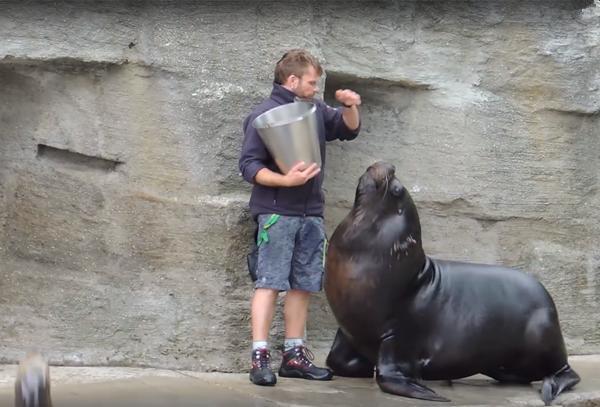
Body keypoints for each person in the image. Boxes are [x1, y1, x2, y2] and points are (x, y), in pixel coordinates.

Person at [239, 49, 361, 386]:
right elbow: (249, 166)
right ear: (292, 80)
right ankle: (259, 358)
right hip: (277, 213)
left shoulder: (316, 109)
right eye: (311, 82)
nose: (315, 87)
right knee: (269, 282)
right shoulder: (262, 115)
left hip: (311, 214)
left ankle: (294, 356)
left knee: (303, 285)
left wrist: (351, 106)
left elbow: (347, 130)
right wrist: (285, 181)